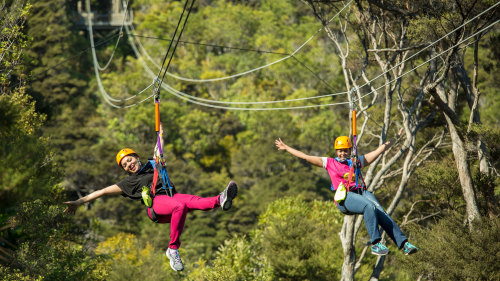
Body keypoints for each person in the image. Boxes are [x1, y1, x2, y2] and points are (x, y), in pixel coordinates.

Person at [64, 124, 238, 271]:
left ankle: (220, 200)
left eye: (130, 160)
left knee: (193, 201)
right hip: (156, 206)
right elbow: (100, 192)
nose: (129, 165)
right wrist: (78, 202)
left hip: (171, 196)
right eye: (125, 165)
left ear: (136, 157)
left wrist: (160, 129)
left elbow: (159, 144)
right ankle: (173, 249)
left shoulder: (153, 163)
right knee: (179, 206)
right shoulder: (128, 183)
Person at [275, 130, 418, 256]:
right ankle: (376, 244)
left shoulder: (355, 161)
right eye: (340, 151)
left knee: (381, 212)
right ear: (336, 151)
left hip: (360, 192)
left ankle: (404, 244)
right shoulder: (329, 162)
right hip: (345, 198)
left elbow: (379, 151)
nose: (342, 153)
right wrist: (287, 148)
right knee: (369, 206)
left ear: (350, 151)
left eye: (345, 150)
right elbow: (305, 156)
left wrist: (395, 138)